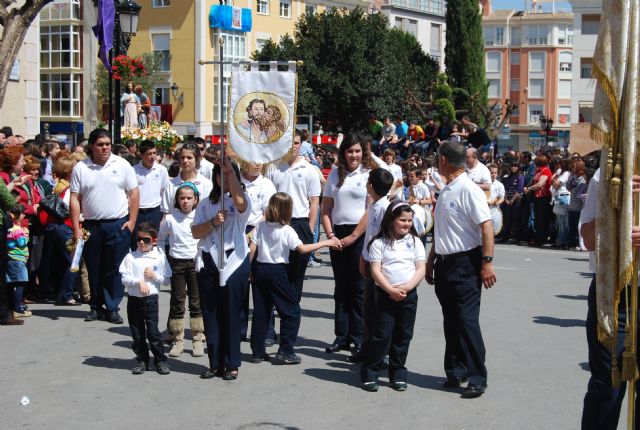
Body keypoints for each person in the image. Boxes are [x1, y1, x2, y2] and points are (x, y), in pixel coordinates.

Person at [425, 140, 496, 399]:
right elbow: (442, 230)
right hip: (445, 262)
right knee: (451, 321)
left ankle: (478, 376)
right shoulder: (447, 190)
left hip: (466, 262)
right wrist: (431, 258)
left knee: (467, 321)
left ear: (443, 160)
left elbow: (486, 226)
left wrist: (487, 261)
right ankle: (457, 370)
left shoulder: (468, 189)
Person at [249, 192, 341, 365]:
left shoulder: (261, 227)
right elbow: (302, 249)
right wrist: (326, 243)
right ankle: (285, 350)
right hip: (277, 271)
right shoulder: (287, 230)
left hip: (261, 269)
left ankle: (257, 351)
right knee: (291, 311)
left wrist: (250, 271)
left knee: (261, 312)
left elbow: (252, 249)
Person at [69, 128, 140, 324]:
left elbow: (133, 193)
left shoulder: (122, 164)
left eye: (107, 144)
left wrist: (132, 221)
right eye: (100, 144)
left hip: (117, 223)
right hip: (92, 225)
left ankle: (112, 307)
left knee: (114, 268)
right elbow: (74, 199)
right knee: (93, 267)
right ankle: (95, 306)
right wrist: (76, 228)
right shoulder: (81, 168)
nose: (105, 148)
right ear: (91, 146)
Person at [192, 158, 251, 381]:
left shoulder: (241, 200)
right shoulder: (206, 203)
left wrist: (232, 174)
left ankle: (231, 363)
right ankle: (214, 362)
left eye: (227, 174)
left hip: (234, 260)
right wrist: (213, 223)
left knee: (231, 312)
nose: (223, 178)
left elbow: (240, 202)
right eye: (220, 174)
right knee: (211, 312)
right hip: (209, 259)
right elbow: (196, 232)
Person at [360, 202, 426, 392]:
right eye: (402, 220)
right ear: (391, 220)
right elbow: (375, 270)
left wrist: (406, 287)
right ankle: (370, 372)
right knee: (381, 335)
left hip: (408, 295)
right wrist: (390, 290)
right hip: (385, 295)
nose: (406, 224)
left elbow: (420, 268)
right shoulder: (379, 243)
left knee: (403, 336)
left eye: (409, 221)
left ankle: (397, 373)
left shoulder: (415, 242)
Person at [321, 132, 374, 356]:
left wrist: (353, 236)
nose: (354, 155)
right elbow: (326, 209)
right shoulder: (334, 175)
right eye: (350, 151)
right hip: (337, 234)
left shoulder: (369, 174)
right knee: (341, 288)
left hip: (359, 234)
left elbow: (370, 211)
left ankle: (359, 338)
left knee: (359, 289)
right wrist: (331, 235)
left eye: (357, 151)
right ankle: (341, 336)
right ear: (343, 153)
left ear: (363, 153)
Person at [266, 130, 321, 307]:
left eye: (296, 143)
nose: (293, 147)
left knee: (297, 274)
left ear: (301, 144)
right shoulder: (274, 168)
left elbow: (314, 202)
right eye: (290, 143)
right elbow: (268, 199)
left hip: (300, 223)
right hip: (276, 225)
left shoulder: (309, 169)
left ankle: (291, 313)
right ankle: (274, 319)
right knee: (277, 271)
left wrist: (310, 229)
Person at [350, 168, 394, 364]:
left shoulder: (386, 208)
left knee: (379, 312)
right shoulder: (374, 206)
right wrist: (363, 257)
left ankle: (381, 352)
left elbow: (386, 238)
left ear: (371, 186)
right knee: (368, 310)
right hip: (369, 262)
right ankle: (366, 349)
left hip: (381, 266)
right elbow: (369, 235)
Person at [158, 183, 204, 358]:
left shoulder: (199, 217)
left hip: (195, 264)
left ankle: (197, 339)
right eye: (182, 198)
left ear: (195, 200)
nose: (185, 201)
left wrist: (200, 257)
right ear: (177, 200)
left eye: (189, 198)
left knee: (196, 302)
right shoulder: (170, 219)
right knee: (177, 301)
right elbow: (161, 240)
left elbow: (205, 238)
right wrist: (164, 260)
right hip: (176, 264)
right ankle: (177, 340)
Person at [119, 222, 172, 375]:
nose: (142, 242)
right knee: (137, 332)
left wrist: (154, 276)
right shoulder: (131, 257)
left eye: (146, 240)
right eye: (139, 239)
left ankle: (160, 360)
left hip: (150, 299)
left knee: (153, 332)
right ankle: (142, 360)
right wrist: (138, 281)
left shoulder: (159, 257)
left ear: (154, 241)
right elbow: (124, 278)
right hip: (134, 299)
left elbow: (167, 280)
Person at [240, 162, 277, 343]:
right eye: (253, 161)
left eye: (260, 162)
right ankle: (239, 329)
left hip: (259, 231)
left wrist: (251, 234)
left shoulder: (267, 184)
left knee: (261, 287)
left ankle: (267, 330)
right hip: (237, 233)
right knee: (239, 284)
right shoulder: (237, 181)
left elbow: (268, 213)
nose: (257, 165)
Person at [39, 155, 81, 306]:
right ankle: (66, 295)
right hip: (64, 226)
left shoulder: (57, 184)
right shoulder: (68, 187)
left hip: (53, 227)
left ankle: (60, 292)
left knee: (60, 262)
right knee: (72, 261)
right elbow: (69, 207)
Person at [132, 140, 169, 250]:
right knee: (137, 240)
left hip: (155, 211)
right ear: (141, 154)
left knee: (154, 240)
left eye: (154, 153)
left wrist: (165, 213)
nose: (152, 156)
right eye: (149, 153)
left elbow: (165, 191)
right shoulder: (133, 170)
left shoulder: (161, 170)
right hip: (138, 211)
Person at [161, 142, 213, 215]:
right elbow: (166, 213)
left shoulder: (206, 184)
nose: (185, 161)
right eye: (182, 157)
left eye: (189, 158)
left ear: (197, 159)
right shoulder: (171, 185)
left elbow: (208, 212)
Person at [6, 204, 31, 318]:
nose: (24, 215)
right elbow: (21, 243)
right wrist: (26, 235)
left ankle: (12, 307)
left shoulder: (11, 228)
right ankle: (17, 308)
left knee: (12, 283)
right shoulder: (18, 230)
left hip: (12, 259)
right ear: (17, 216)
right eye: (22, 214)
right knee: (21, 283)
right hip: (18, 260)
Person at [523, 155, 552, 246]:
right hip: (537, 197)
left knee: (541, 219)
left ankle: (541, 239)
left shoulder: (545, 170)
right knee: (538, 219)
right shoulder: (538, 171)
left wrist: (529, 188)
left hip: (544, 197)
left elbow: (540, 184)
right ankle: (538, 238)